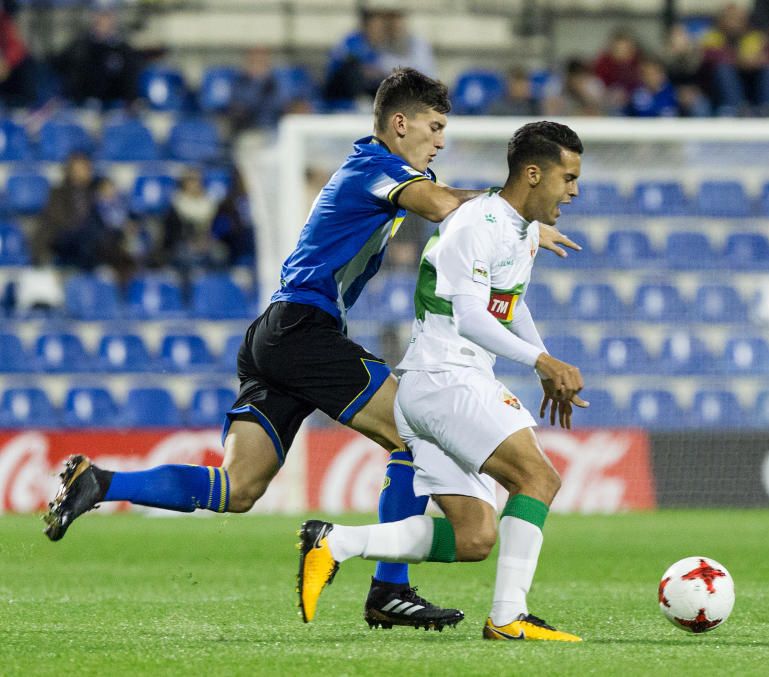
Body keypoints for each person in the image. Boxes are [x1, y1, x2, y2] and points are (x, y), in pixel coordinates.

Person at [43, 68, 579, 632]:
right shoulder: (376, 166)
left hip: (274, 334)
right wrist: (515, 213)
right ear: (401, 124)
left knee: (239, 488)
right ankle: (389, 590)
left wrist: (512, 228)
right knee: (415, 428)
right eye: (434, 126)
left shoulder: (380, 170)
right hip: (304, 329)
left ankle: (100, 482)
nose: (440, 140)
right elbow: (447, 205)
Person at [296, 121, 588, 642]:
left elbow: (507, 308)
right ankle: (507, 619)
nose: (574, 190)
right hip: (446, 379)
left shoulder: (520, 232)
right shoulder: (477, 225)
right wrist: (542, 364)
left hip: (444, 384)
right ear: (534, 173)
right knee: (538, 480)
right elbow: (473, 318)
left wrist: (541, 355)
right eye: (568, 177)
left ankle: (335, 542)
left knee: (474, 536)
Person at [702, 3, 769, 116]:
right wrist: (739, 60)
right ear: (721, 20)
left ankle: (766, 109)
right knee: (724, 69)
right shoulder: (712, 37)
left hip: (752, 85)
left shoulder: (754, 36)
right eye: (730, 19)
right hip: (718, 92)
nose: (734, 23)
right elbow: (711, 56)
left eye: (738, 19)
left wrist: (758, 60)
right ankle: (738, 110)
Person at [54, 7, 142, 107]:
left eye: (106, 17)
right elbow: (62, 68)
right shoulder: (79, 46)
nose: (103, 21)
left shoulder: (123, 49)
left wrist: (131, 100)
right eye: (99, 17)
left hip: (114, 106)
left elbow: (130, 77)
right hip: (82, 105)